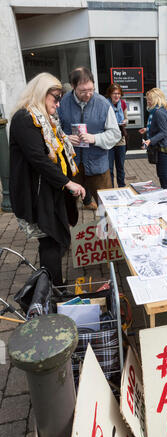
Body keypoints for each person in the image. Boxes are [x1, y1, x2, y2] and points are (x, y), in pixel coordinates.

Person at [9, 72, 86, 286]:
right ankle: (54, 289)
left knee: (56, 239)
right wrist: (67, 182)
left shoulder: (47, 120)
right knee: (51, 241)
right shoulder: (24, 119)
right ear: (42, 94)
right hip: (36, 193)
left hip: (49, 189)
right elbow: (39, 159)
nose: (59, 104)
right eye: (56, 98)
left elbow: (56, 153)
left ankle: (53, 287)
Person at [58, 67, 121, 210]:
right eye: (83, 91)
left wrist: (95, 138)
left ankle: (107, 231)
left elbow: (115, 134)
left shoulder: (103, 104)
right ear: (73, 86)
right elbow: (53, 129)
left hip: (98, 165)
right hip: (72, 165)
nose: (88, 94)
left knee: (107, 207)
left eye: (91, 89)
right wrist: (65, 138)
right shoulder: (62, 103)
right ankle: (69, 231)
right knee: (68, 206)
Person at [138, 88, 167, 203]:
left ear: (156, 99)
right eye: (147, 99)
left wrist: (149, 141)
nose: (147, 102)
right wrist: (146, 129)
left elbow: (164, 132)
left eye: (149, 100)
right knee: (161, 174)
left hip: (165, 146)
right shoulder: (156, 111)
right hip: (162, 146)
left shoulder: (158, 112)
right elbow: (159, 128)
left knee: (165, 175)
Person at [106, 83, 128, 187]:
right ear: (110, 94)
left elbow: (126, 118)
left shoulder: (123, 103)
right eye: (114, 93)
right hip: (109, 139)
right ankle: (111, 188)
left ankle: (122, 187)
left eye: (119, 93)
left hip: (120, 139)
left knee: (120, 167)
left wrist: (125, 121)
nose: (117, 96)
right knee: (109, 168)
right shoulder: (105, 104)